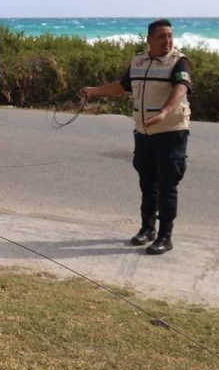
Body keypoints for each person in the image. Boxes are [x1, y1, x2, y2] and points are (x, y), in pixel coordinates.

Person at [79, 19, 192, 255]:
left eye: (170, 36)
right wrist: (94, 91)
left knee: (167, 184)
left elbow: (180, 88)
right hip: (144, 132)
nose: (167, 40)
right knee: (147, 181)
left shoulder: (179, 62)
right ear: (149, 39)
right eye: (162, 36)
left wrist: (163, 112)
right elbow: (121, 87)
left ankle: (165, 236)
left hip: (171, 131)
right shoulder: (138, 62)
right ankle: (147, 229)